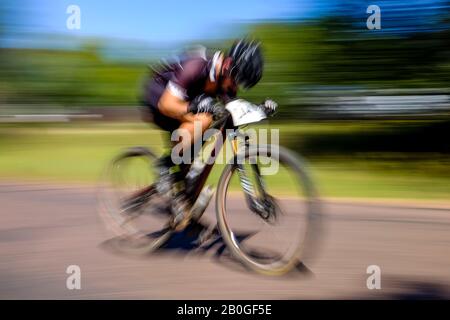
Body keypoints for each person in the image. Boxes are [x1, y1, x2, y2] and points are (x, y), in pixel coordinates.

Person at [140, 39, 277, 227]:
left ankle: (184, 206)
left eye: (242, 84)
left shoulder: (226, 78)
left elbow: (236, 110)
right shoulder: (196, 66)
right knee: (203, 120)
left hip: (186, 99)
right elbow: (167, 104)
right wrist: (194, 106)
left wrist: (259, 109)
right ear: (228, 66)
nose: (236, 87)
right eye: (237, 80)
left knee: (193, 162)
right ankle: (165, 165)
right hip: (159, 97)